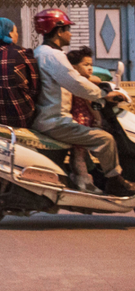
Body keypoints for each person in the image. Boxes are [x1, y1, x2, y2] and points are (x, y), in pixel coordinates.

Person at [31, 9, 135, 197]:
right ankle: (114, 182)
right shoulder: (53, 56)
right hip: (55, 120)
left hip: (49, 117)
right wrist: (103, 95)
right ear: (58, 30)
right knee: (105, 139)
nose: (70, 33)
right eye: (68, 29)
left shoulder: (41, 52)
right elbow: (75, 82)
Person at [66, 47, 102, 193]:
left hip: (78, 119)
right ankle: (83, 180)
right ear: (74, 67)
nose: (90, 68)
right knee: (79, 154)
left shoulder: (75, 81)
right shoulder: (82, 84)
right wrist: (98, 119)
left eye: (91, 65)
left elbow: (97, 79)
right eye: (86, 65)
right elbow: (91, 103)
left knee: (80, 153)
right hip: (82, 121)